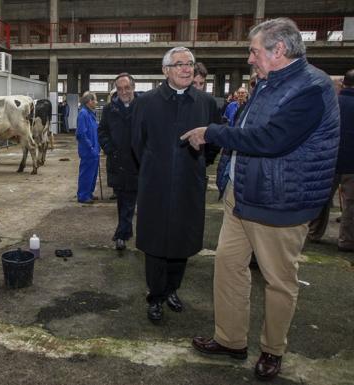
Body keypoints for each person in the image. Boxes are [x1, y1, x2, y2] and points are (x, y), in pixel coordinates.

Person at [181, 18, 340, 381]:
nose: (250, 59)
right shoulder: (269, 83)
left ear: (278, 50)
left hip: (279, 202)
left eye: (254, 51)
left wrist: (212, 132)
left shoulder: (311, 89)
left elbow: (271, 140)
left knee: (278, 280)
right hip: (244, 195)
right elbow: (250, 130)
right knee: (228, 265)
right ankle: (231, 339)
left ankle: (272, 350)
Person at [131, 47, 220, 322]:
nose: (186, 69)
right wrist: (155, 166)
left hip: (188, 186)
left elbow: (214, 141)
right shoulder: (146, 102)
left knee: (182, 241)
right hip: (155, 185)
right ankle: (155, 295)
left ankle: (172, 289)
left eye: (190, 64)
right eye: (179, 64)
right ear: (165, 70)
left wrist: (195, 166)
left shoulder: (206, 102)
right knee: (156, 243)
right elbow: (137, 143)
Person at [98, 73, 139, 251]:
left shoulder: (143, 106)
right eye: (120, 88)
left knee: (131, 199)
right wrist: (109, 149)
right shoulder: (109, 109)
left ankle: (121, 234)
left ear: (133, 88)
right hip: (117, 161)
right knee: (123, 199)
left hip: (138, 162)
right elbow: (102, 131)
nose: (123, 92)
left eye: (127, 88)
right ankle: (125, 232)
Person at [336, 69, 354, 252]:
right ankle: (346, 240)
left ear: (343, 84)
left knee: (321, 199)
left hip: (330, 159)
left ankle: (313, 233)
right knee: (350, 204)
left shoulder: (333, 102)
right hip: (352, 163)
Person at [76, 91, 99, 204]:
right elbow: (81, 134)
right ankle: (83, 196)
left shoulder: (91, 113)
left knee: (92, 174)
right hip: (88, 150)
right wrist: (90, 147)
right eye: (94, 100)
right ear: (89, 101)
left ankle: (89, 193)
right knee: (86, 173)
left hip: (94, 149)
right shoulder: (83, 114)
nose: (96, 102)